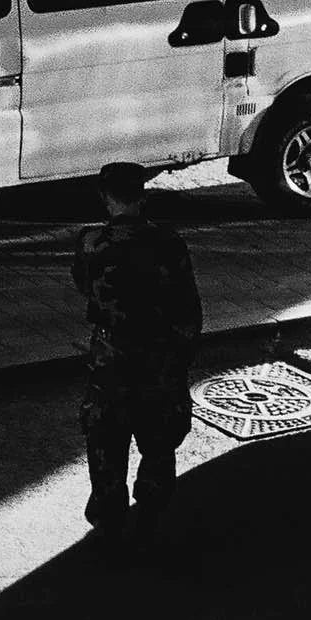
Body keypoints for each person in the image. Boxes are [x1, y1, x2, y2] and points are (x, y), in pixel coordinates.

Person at [71, 163, 202, 558]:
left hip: (111, 362)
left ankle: (110, 524)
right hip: (159, 361)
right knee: (159, 444)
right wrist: (181, 358)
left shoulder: (91, 244)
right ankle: (150, 517)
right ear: (143, 196)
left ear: (105, 198)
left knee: (107, 447)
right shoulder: (169, 243)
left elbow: (83, 287)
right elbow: (189, 306)